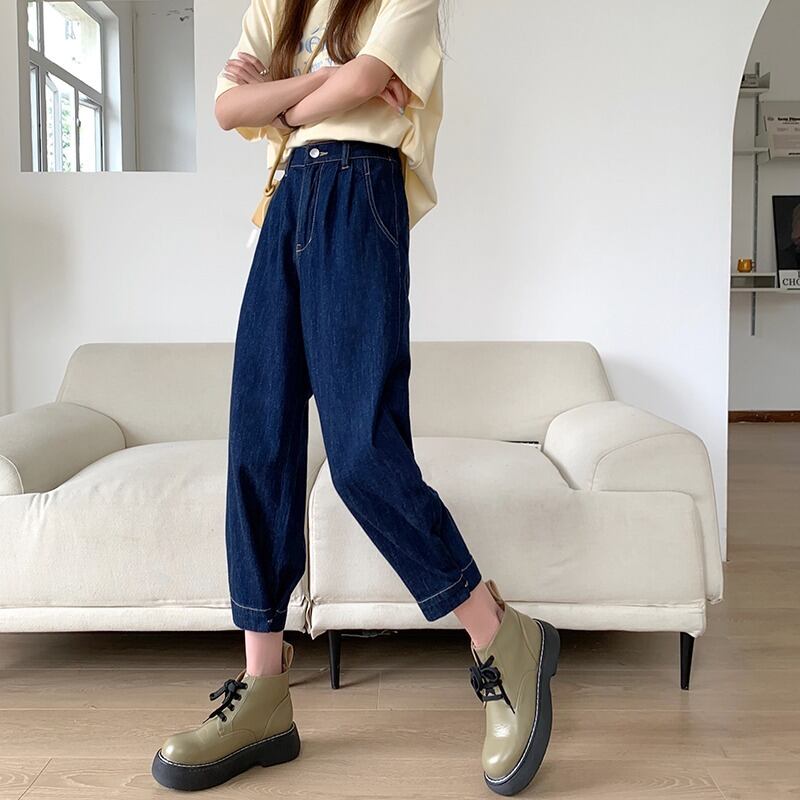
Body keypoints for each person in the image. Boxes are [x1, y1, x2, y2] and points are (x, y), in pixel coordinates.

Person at [151, 0, 559, 794]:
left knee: (363, 453)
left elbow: (365, 78)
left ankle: (502, 637)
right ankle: (264, 692)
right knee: (259, 445)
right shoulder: (279, 4)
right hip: (285, 204)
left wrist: (281, 97)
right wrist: (325, 88)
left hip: (359, 196)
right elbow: (229, 107)